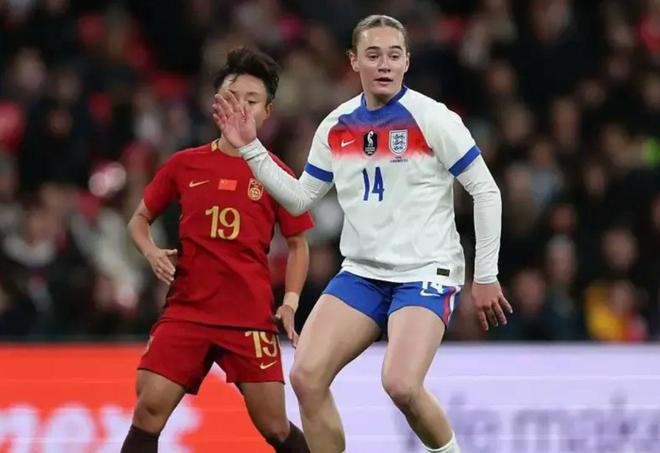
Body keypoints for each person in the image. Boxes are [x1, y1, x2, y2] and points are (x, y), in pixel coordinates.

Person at [214, 15, 512, 453]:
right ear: (354, 61)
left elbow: (485, 191)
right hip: (363, 273)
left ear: (407, 62)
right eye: (373, 55)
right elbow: (299, 199)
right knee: (305, 376)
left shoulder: (433, 118)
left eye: (393, 55)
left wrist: (485, 274)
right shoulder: (336, 126)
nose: (384, 64)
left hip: (425, 272)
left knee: (401, 384)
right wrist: (251, 149)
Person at [121, 48, 312, 453]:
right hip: (188, 310)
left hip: (248, 315)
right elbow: (138, 219)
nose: (240, 108)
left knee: (275, 427)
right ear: (216, 105)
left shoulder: (277, 173)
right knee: (148, 408)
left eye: (252, 101)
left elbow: (298, 244)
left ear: (267, 113)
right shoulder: (184, 164)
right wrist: (151, 252)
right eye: (232, 97)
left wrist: (290, 302)